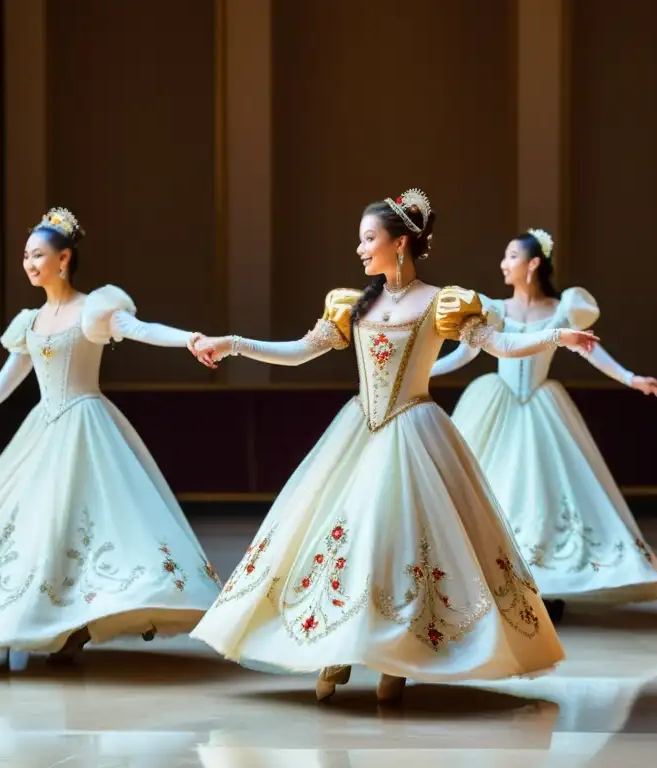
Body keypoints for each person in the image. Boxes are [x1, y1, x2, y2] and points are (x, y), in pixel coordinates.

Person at [187, 189, 598, 704]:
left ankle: (395, 657)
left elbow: (500, 345)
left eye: (368, 238)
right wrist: (233, 343)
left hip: (415, 429)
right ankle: (336, 646)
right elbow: (298, 352)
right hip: (360, 430)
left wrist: (559, 337)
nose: (359, 249)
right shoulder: (353, 304)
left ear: (399, 243)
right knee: (349, 535)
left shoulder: (443, 302)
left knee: (399, 540)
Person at [0, 207, 222, 669]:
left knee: (90, 528)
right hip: (44, 430)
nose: (30, 264)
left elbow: (141, 330)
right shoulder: (29, 323)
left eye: (39, 255)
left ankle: (74, 624)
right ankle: (35, 622)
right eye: (25, 256)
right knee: (36, 529)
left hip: (88, 426)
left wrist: (191, 339)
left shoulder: (95, 308)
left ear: (65, 259)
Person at [429, 228, 657, 611]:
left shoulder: (564, 309)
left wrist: (631, 379)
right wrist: (420, 373)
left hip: (542, 407)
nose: (503, 263)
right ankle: (492, 579)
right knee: (493, 486)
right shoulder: (494, 309)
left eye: (511, 256)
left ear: (533, 264)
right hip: (496, 404)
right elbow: (465, 354)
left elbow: (592, 351)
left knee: (542, 492)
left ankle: (545, 583)